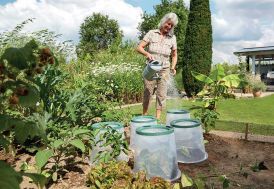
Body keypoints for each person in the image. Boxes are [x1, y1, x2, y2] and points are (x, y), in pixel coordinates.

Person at [136, 12, 178, 119]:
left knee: (162, 94)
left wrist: (173, 67)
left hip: (164, 69)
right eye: (168, 24)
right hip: (151, 68)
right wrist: (147, 53)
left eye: (171, 25)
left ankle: (158, 118)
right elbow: (139, 47)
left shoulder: (172, 38)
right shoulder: (152, 33)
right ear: (164, 22)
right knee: (148, 91)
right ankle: (144, 115)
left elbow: (174, 55)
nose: (169, 27)